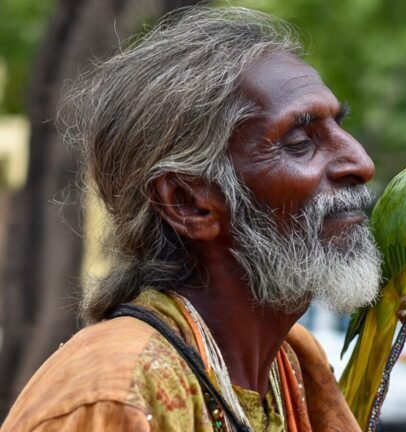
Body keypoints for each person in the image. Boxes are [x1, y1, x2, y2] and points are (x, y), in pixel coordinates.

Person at [1, 6, 382, 431]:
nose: (360, 163)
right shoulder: (112, 394)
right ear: (188, 203)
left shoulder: (291, 362)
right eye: (299, 142)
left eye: (339, 127)